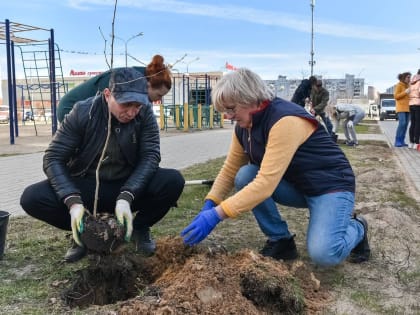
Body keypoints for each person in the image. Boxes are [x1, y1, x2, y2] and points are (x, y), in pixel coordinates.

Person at [180, 68, 370, 267]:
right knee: (245, 175)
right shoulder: (244, 127)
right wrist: (210, 203)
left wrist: (216, 215)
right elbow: (229, 170)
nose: (228, 116)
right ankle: (281, 241)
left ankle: (358, 227)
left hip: (331, 187)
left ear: (249, 98)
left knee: (324, 254)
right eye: (224, 111)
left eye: (231, 108)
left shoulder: (284, 120)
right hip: (298, 187)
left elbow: (265, 185)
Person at [20, 67, 185, 263]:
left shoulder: (145, 113)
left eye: (137, 106)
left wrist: (127, 196)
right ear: (108, 95)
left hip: (127, 185)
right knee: (32, 198)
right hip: (88, 186)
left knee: (172, 181)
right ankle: (84, 233)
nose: (132, 112)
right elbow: (53, 157)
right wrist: (72, 201)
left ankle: (136, 228)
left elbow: (150, 156)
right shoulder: (83, 111)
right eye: (126, 104)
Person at [57, 55, 171, 123]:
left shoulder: (136, 84)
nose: (158, 99)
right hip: (70, 108)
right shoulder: (123, 79)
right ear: (148, 84)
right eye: (159, 95)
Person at [394, 72, 411, 147]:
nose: (409, 79)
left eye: (410, 77)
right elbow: (396, 96)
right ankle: (397, 141)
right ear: (404, 78)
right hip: (401, 108)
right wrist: (405, 92)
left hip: (408, 108)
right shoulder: (399, 85)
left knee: (406, 125)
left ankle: (402, 141)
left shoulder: (409, 86)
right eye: (408, 77)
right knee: (402, 124)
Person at [408, 71, 420, 149]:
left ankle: (411, 142)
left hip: (411, 104)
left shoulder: (412, 82)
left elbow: (408, 93)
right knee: (418, 124)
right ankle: (416, 143)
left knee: (413, 123)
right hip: (418, 104)